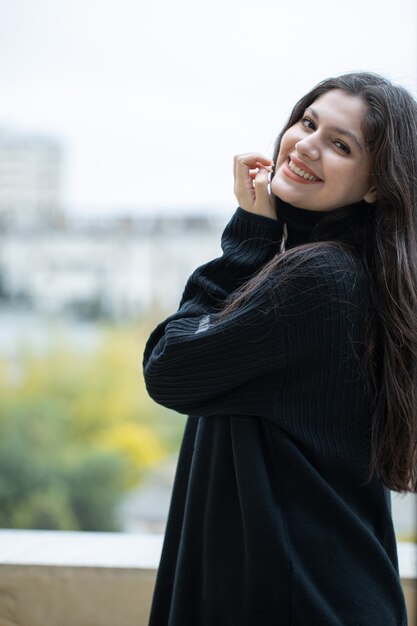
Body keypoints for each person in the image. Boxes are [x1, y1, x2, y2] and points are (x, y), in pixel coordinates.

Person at [143, 72, 417, 626]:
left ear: (375, 186)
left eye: (341, 145)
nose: (308, 145)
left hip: (298, 600)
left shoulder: (321, 278)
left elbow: (169, 369)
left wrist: (248, 236)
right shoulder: (353, 272)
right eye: (308, 122)